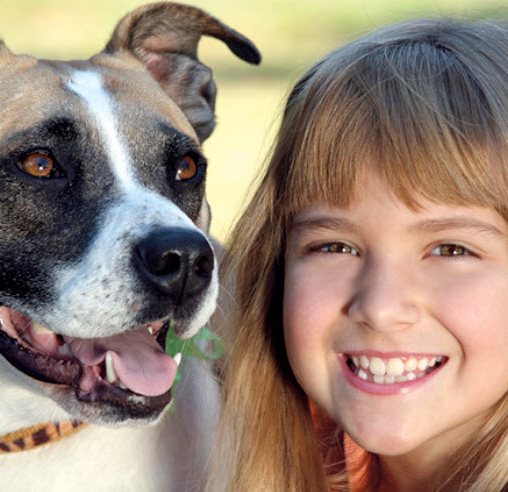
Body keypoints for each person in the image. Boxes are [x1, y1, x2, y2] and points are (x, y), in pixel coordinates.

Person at [211, 18, 508, 492]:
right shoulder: (226, 448)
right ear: (277, 268)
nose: (380, 307)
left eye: (451, 249)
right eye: (334, 246)